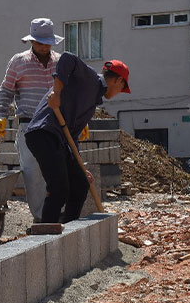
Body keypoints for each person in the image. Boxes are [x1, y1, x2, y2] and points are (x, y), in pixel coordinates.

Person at [24, 54, 130, 224]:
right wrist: (56, 93)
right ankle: (45, 233)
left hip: (59, 139)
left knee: (80, 182)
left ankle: (68, 228)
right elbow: (67, 59)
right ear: (118, 81)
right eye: (122, 88)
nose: (119, 93)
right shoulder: (90, 79)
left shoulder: (92, 99)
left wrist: (79, 165)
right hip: (44, 132)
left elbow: (71, 137)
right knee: (58, 187)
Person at [0, 18, 63, 222]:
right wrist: (1, 116)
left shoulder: (60, 62)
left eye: (47, 43)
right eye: (40, 43)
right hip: (29, 125)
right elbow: (5, 90)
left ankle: (56, 214)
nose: (44, 47)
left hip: (54, 124)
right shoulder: (19, 62)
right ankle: (42, 218)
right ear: (32, 41)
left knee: (58, 172)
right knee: (33, 175)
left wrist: (80, 121)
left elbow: (69, 93)